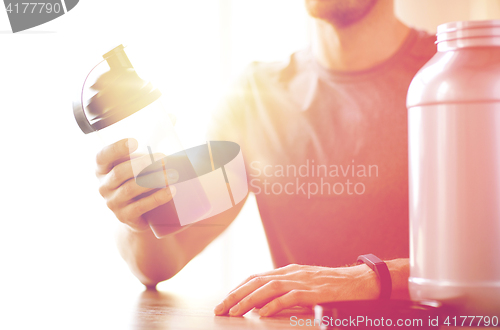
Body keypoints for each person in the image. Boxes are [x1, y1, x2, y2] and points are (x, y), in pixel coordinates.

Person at [95, 0, 436, 318]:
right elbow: (159, 262)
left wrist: (370, 279)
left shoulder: (466, 76)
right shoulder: (255, 99)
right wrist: (137, 215)